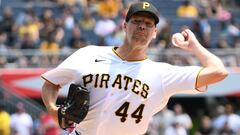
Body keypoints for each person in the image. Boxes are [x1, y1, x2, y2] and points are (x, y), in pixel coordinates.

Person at [41, 1, 228, 135]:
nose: (142, 27)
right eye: (137, 21)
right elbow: (51, 83)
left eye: (148, 24)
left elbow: (219, 72)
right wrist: (52, 109)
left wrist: (195, 47)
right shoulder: (88, 54)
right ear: (124, 25)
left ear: (155, 33)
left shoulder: (162, 74)